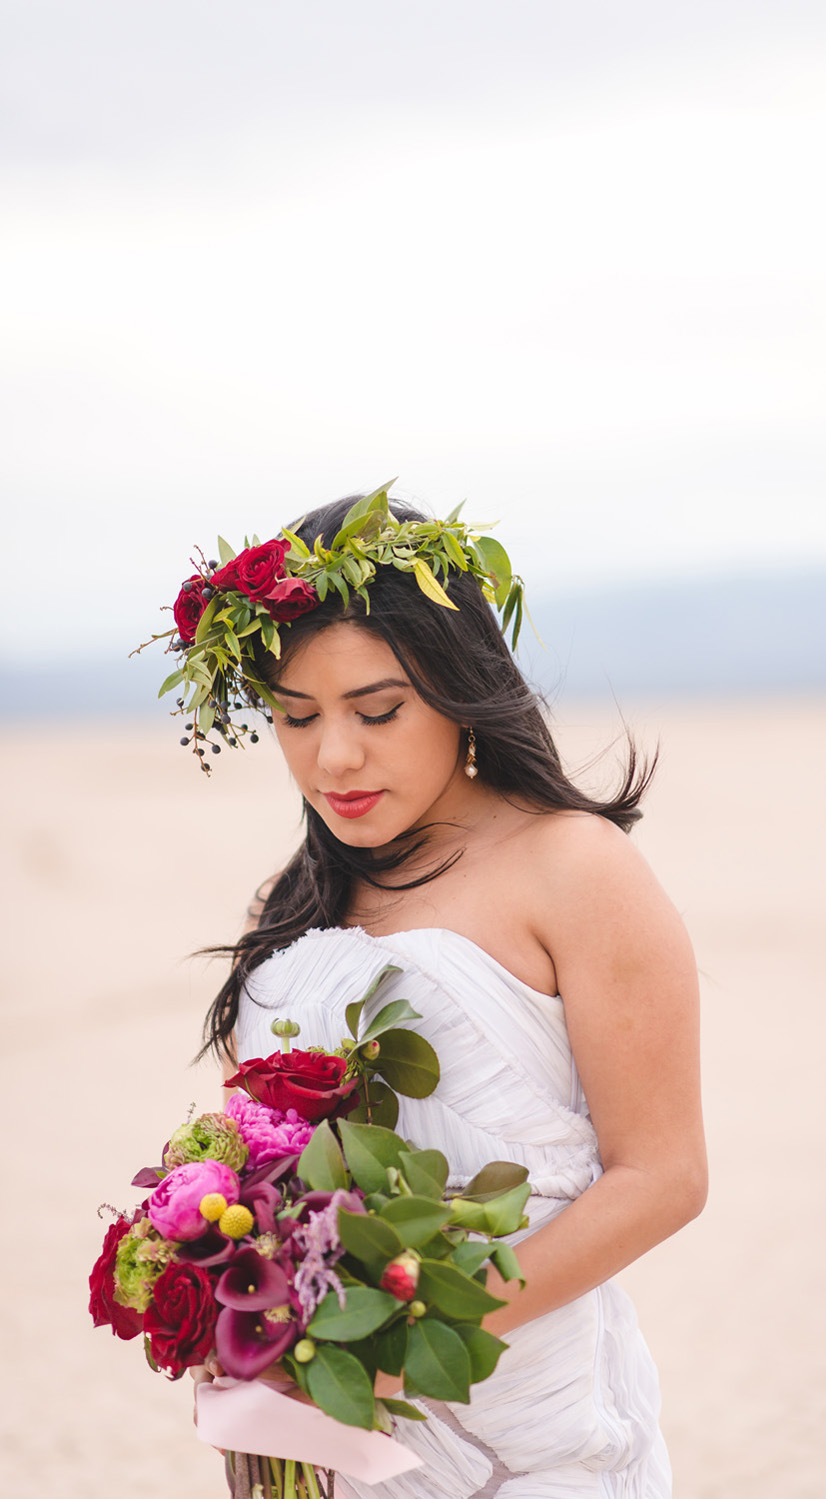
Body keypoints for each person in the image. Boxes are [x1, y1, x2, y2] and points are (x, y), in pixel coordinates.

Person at [187, 488, 706, 1498]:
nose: (333, 756)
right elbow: (258, 1170)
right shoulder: (288, 900)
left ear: (461, 686)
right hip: (332, 1426)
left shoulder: (576, 868)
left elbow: (663, 1175)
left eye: (377, 710)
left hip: (526, 1408)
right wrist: (239, 1331)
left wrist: (420, 1332)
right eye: (295, 716)